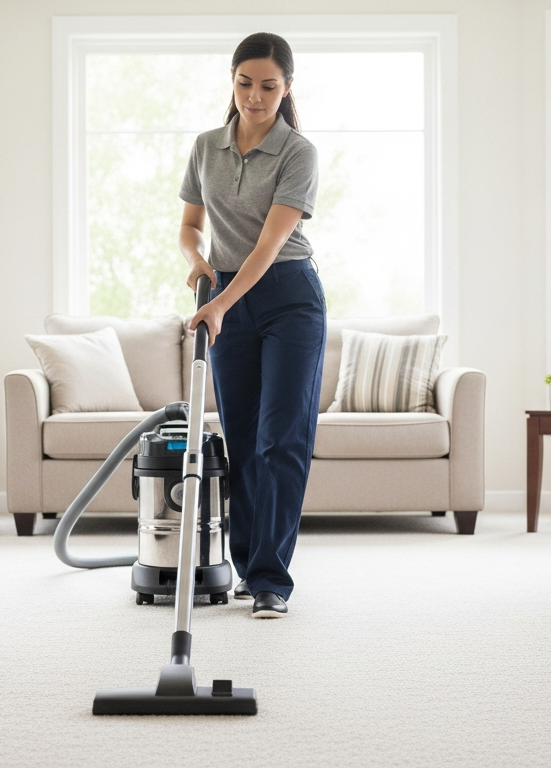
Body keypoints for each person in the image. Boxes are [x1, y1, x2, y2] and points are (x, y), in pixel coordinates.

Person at [179, 32, 324, 619]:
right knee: (241, 439)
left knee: (280, 438)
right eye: (245, 83)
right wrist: (197, 264)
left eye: (268, 86)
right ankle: (246, 568)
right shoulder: (206, 146)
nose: (255, 97)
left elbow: (269, 244)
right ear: (232, 81)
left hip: (288, 295)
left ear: (287, 88)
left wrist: (220, 303)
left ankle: (271, 579)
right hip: (225, 293)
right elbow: (190, 225)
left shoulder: (298, 152)